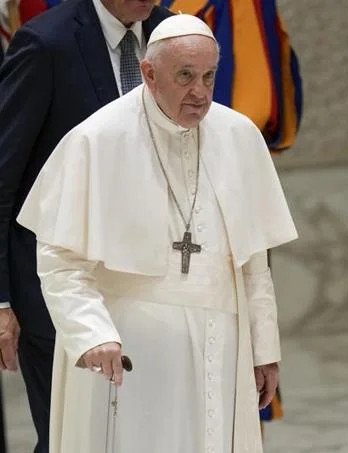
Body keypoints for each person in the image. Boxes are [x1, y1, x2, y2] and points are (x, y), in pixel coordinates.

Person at [16, 13, 297, 453]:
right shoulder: (97, 139)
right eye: (185, 76)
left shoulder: (239, 136)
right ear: (149, 73)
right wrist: (91, 333)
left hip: (220, 345)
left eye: (208, 76)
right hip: (131, 350)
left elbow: (253, 262)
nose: (200, 92)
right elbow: (60, 261)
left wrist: (264, 349)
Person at [0, 0, 172, 451]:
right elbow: (3, 176)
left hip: (154, 290)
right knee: (70, 439)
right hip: (58, 288)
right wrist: (1, 300)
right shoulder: (45, 44)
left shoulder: (171, 32)